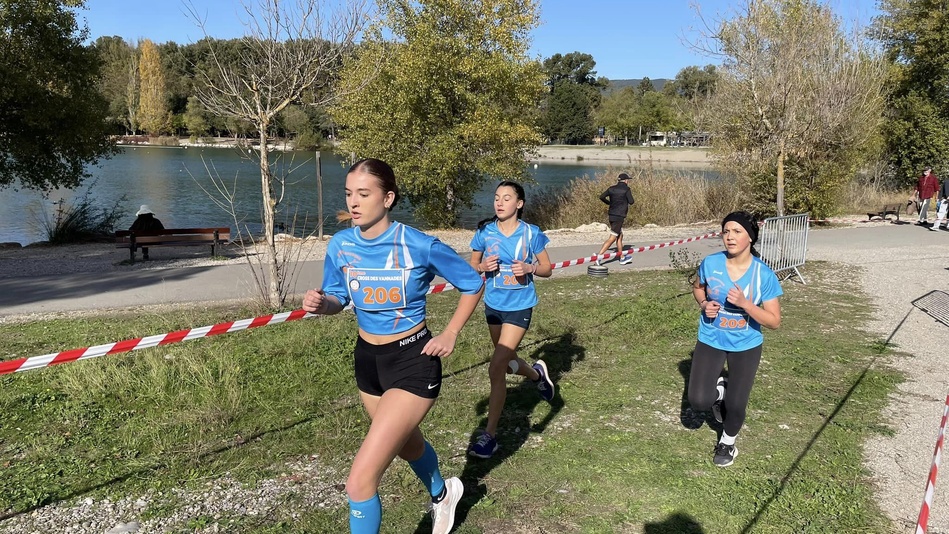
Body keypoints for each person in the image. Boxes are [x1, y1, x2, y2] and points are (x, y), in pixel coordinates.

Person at [301, 158, 484, 534]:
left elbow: (472, 282)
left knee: (359, 482)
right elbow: (338, 297)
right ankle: (443, 493)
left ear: (388, 198)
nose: (353, 202)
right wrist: (324, 305)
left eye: (363, 194)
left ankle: (440, 494)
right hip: (368, 360)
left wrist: (450, 332)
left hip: (412, 361)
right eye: (349, 193)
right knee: (406, 443)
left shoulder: (417, 244)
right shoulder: (341, 244)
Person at [467, 181, 556, 459]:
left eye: (507, 198)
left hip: (520, 306)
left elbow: (548, 268)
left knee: (496, 367)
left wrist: (530, 267)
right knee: (506, 364)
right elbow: (472, 266)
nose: (500, 202)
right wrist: (482, 267)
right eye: (496, 198)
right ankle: (536, 374)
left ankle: (489, 436)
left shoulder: (532, 233)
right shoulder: (485, 232)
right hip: (494, 305)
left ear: (519, 204)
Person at [687, 211, 782, 467]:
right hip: (711, 337)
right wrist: (705, 303)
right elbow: (698, 288)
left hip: (745, 345)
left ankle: (727, 443)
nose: (730, 237)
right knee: (698, 401)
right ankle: (719, 390)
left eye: (737, 231)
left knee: (736, 405)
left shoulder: (763, 274)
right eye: (726, 231)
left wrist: (745, 304)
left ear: (750, 237)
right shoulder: (711, 263)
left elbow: (774, 321)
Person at [594, 172, 635, 266]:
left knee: (619, 236)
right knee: (612, 238)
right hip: (619, 216)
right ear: (626, 181)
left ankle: (622, 258)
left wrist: (609, 203)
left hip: (611, 215)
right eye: (628, 180)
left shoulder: (611, 188)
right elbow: (631, 201)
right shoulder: (626, 189)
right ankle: (599, 257)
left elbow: (602, 196)